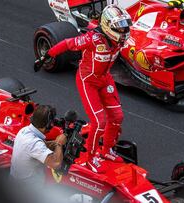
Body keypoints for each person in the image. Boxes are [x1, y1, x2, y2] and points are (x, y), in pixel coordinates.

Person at [34, 5, 132, 173]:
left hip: (105, 79)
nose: (124, 30)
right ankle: (91, 158)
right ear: (108, 26)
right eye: (120, 26)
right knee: (99, 122)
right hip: (88, 81)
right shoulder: (92, 39)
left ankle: (106, 150)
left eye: (125, 25)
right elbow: (67, 43)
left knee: (117, 116)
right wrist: (46, 56)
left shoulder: (118, 40)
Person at [10, 105, 67, 187]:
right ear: (47, 125)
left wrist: (55, 143)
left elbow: (38, 147)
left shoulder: (24, 130)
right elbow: (56, 163)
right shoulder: (35, 144)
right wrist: (59, 143)